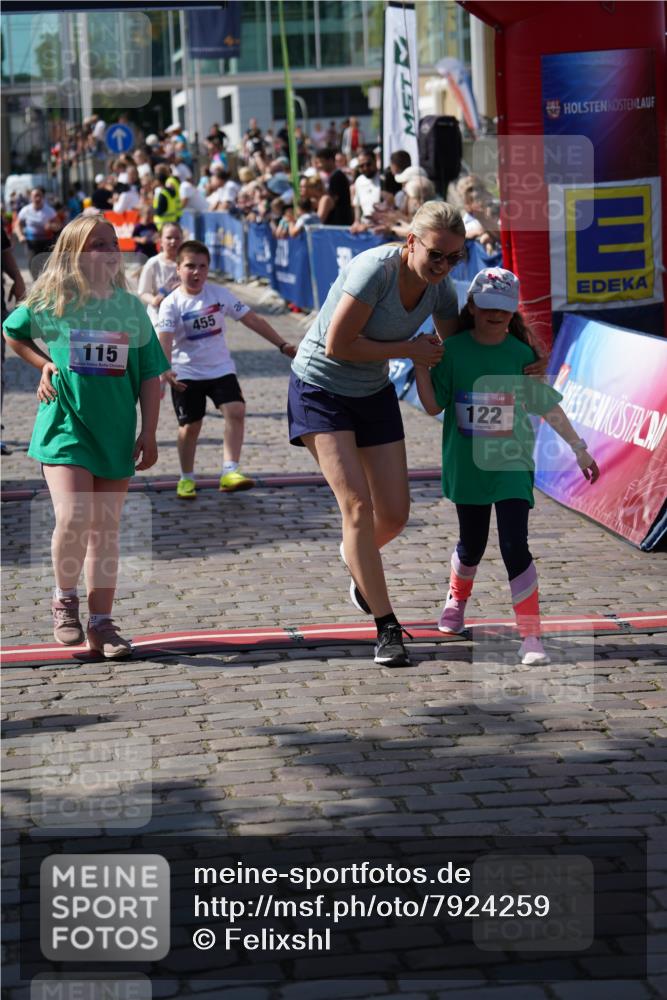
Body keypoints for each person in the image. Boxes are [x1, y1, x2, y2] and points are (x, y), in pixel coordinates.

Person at [287, 201, 467, 668]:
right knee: (359, 508)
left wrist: (520, 359)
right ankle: (387, 627)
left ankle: (356, 557)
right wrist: (410, 349)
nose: (444, 266)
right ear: (412, 242)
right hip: (319, 387)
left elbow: (460, 348)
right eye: (437, 255)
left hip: (372, 391)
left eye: (455, 258)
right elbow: (339, 343)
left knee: (395, 514)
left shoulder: (439, 288)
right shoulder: (375, 270)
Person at [414, 267, 600, 665]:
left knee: (515, 543)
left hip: (512, 466)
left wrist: (579, 448)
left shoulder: (521, 357)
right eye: (487, 308)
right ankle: (456, 601)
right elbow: (432, 406)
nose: (494, 316)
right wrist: (418, 366)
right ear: (472, 306)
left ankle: (530, 636)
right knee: (473, 544)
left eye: (503, 309)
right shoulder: (455, 350)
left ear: (513, 311)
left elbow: (547, 406)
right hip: (468, 467)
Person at [2, 216, 169, 657]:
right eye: (96, 244)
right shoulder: (53, 300)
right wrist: (43, 365)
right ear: (74, 253)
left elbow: (152, 373)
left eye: (112, 242)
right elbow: (12, 332)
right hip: (64, 427)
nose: (108, 250)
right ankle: (65, 601)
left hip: (115, 433)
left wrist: (149, 431)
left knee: (106, 531)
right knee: (75, 516)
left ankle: (103, 624)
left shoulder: (131, 309)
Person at [156, 240, 297, 499]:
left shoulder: (220, 295)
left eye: (203, 266)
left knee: (236, 410)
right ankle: (186, 477)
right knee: (191, 426)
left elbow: (252, 319)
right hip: (186, 372)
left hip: (220, 369)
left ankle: (230, 471)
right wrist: (166, 370)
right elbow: (164, 338)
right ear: (178, 269)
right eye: (190, 266)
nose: (197, 272)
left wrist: (282, 344)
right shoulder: (171, 303)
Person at [137, 221, 182, 327]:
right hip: (158, 319)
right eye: (169, 238)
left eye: (177, 238)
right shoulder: (153, 263)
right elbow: (143, 292)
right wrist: (153, 300)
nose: (173, 241)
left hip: (182, 319)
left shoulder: (188, 263)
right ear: (160, 240)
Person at [14, 188, 59, 273]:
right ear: (31, 198)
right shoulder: (26, 210)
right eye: (35, 196)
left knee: (46, 265)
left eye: (40, 196)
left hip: (47, 242)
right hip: (31, 242)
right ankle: (36, 282)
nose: (37, 198)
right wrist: (20, 236)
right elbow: (17, 224)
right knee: (33, 264)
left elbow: (59, 225)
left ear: (43, 197)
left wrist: (51, 226)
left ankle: (44, 282)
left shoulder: (49, 211)